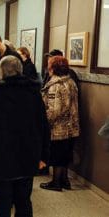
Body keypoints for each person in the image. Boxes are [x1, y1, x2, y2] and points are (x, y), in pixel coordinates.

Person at [0, 55, 50, 217]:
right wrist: (44, 155)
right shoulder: (34, 93)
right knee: (24, 201)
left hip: (2, 156)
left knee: (2, 204)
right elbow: (43, 126)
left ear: (1, 73)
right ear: (20, 70)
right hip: (28, 155)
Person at [40, 56, 80, 192]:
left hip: (58, 127)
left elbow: (54, 110)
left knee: (57, 156)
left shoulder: (55, 86)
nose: (47, 68)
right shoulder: (70, 82)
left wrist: (44, 124)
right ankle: (64, 181)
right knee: (65, 155)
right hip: (71, 127)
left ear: (53, 68)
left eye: (49, 65)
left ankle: (56, 183)